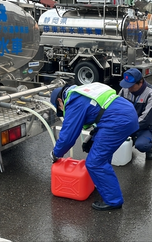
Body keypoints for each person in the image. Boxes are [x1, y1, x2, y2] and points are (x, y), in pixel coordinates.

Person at [49, 82, 139, 211]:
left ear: (59, 100)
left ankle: (113, 201)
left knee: (95, 162)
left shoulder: (74, 100)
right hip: (126, 113)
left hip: (117, 120)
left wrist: (56, 154)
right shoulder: (85, 90)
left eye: (60, 108)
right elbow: (100, 109)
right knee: (102, 156)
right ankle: (102, 184)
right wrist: (92, 136)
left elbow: (68, 137)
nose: (63, 110)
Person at [118, 68, 152, 160]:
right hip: (128, 125)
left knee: (141, 145)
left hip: (146, 127)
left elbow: (146, 119)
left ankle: (150, 147)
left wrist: (128, 129)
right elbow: (116, 108)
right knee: (110, 138)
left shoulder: (151, 93)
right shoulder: (125, 90)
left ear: (140, 82)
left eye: (131, 86)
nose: (128, 88)